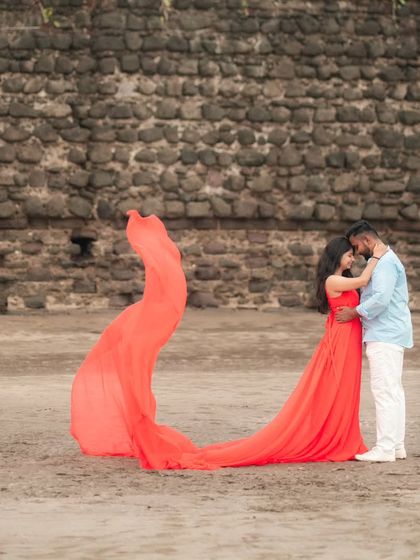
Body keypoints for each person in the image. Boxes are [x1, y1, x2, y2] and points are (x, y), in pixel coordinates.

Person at [70, 212, 384, 469]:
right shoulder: (334, 279)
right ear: (337, 258)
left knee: (344, 392)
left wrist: (357, 311)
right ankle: (336, 439)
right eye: (349, 254)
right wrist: (378, 255)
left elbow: (358, 295)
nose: (352, 257)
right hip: (339, 342)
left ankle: (342, 436)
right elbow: (363, 281)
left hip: (347, 339)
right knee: (334, 391)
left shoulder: (341, 277)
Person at [336, 220, 413, 463]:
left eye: (356, 246)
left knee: (384, 391)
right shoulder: (382, 261)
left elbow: (381, 298)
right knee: (393, 391)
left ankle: (385, 447)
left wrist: (355, 312)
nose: (356, 252)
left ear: (367, 241)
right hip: (391, 333)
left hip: (385, 333)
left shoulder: (385, 263)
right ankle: (396, 445)